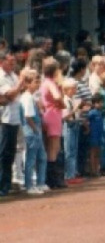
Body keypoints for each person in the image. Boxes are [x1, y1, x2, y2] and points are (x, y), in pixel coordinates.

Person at [39, 58, 66, 188]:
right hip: (53, 113)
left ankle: (52, 178)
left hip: (50, 113)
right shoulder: (50, 83)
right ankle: (53, 179)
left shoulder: (45, 82)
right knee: (53, 148)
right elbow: (57, 97)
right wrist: (61, 103)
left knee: (53, 147)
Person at [20, 71, 48, 195]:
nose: (38, 84)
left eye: (38, 82)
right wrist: (35, 129)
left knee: (42, 157)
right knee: (31, 158)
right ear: (27, 84)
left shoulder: (32, 97)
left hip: (36, 128)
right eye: (35, 82)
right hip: (31, 130)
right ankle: (29, 185)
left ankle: (40, 182)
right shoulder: (26, 97)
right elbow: (27, 116)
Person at [0, 50, 24, 197]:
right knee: (3, 153)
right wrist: (20, 84)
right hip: (4, 119)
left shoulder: (13, 76)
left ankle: (7, 184)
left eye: (14, 62)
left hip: (14, 118)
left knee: (10, 153)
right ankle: (2, 185)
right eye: (10, 62)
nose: (13, 64)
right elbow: (9, 95)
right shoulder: (1, 77)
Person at [61, 78, 84, 185]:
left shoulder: (72, 99)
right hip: (68, 126)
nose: (74, 90)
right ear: (66, 90)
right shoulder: (65, 101)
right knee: (69, 151)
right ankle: (68, 175)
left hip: (74, 124)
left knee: (74, 150)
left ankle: (72, 173)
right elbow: (65, 116)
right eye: (72, 88)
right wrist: (75, 109)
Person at [86, 94, 104, 177]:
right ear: (94, 104)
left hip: (99, 134)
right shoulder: (92, 112)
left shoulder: (100, 112)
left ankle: (97, 169)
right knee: (93, 152)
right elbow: (85, 121)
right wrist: (88, 129)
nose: (101, 104)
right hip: (93, 134)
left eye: (101, 103)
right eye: (99, 103)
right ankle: (92, 170)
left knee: (98, 152)